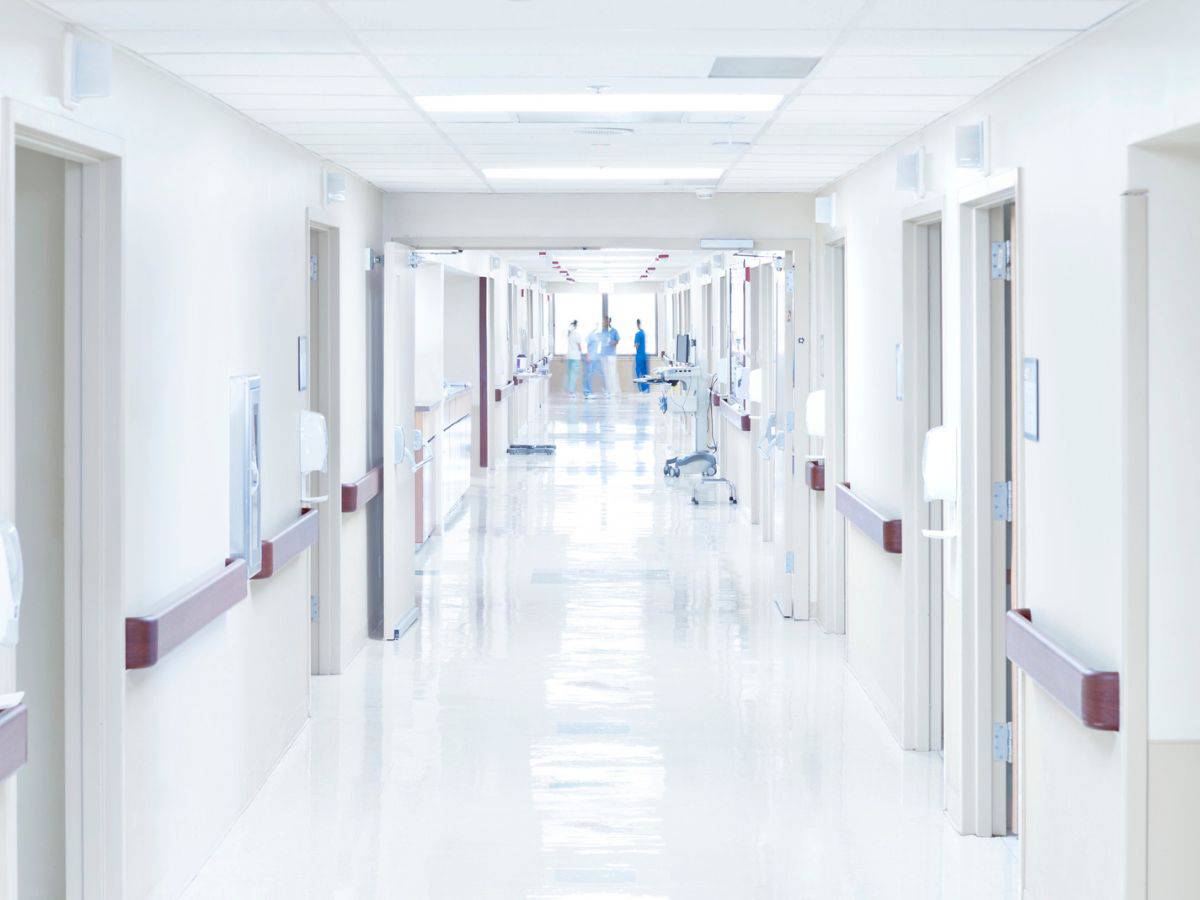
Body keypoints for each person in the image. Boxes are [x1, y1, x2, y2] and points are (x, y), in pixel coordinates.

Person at [600, 316, 620, 398]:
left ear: (609, 322)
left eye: (606, 321)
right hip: (604, 355)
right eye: (604, 321)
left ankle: (613, 391)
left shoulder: (614, 331)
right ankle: (608, 390)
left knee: (612, 373)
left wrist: (611, 342)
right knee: (606, 374)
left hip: (611, 355)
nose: (604, 322)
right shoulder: (603, 331)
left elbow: (617, 342)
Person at [564, 319, 584, 398]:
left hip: (569, 356)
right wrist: (582, 353)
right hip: (575, 357)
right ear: (576, 326)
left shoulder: (569, 334)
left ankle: (569, 391)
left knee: (570, 374)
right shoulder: (577, 334)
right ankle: (571, 392)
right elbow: (579, 346)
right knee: (573, 375)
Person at [584, 323, 603, 398]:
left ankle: (589, 392)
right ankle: (587, 392)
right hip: (591, 357)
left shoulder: (596, 335)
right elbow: (588, 345)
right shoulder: (591, 335)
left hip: (595, 357)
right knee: (588, 374)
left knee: (592, 374)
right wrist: (588, 355)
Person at [633, 318, 649, 393]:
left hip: (639, 356)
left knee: (639, 373)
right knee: (644, 373)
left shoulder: (638, 334)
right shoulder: (643, 333)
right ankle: (646, 389)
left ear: (636, 324)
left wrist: (635, 345)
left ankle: (643, 390)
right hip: (644, 356)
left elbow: (636, 345)